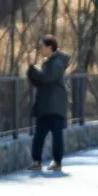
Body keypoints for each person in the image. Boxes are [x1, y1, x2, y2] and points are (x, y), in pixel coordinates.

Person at [26, 36, 71, 171]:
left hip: (54, 106)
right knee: (40, 134)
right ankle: (37, 161)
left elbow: (45, 78)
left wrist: (32, 67)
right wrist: (32, 69)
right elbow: (39, 81)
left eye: (43, 46)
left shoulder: (56, 64)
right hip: (47, 105)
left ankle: (56, 162)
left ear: (49, 47)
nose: (41, 49)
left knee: (55, 135)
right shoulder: (50, 62)